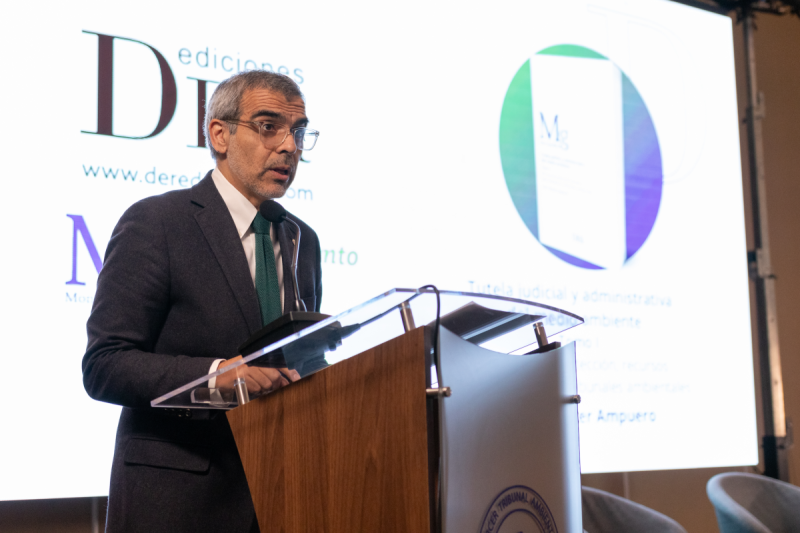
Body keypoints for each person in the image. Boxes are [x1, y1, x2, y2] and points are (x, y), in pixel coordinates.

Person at [82, 70, 322, 532]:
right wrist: (217, 377)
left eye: (298, 132)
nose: (289, 147)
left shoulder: (300, 239)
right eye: (269, 127)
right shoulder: (158, 223)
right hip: (178, 503)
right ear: (219, 134)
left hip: (281, 496)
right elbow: (104, 365)